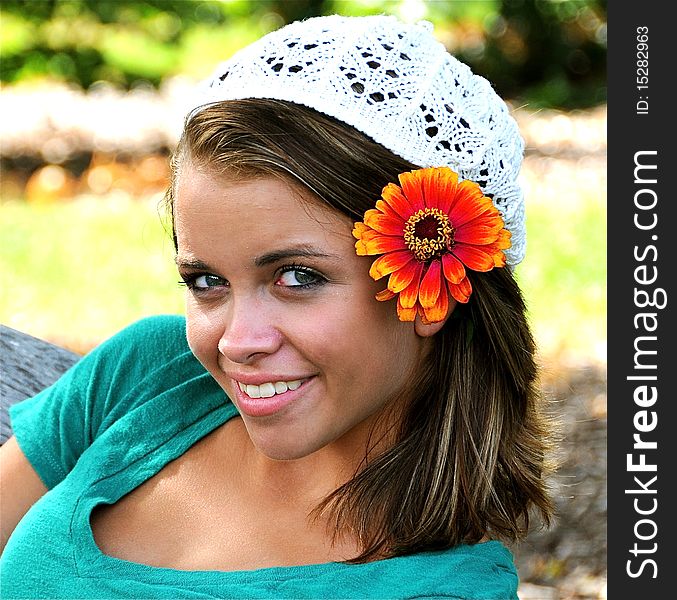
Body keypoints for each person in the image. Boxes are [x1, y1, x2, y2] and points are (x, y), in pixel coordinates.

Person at [0, 14, 553, 599]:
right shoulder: (147, 374)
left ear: (433, 282)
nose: (238, 341)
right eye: (207, 279)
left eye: (296, 277)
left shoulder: (440, 589)